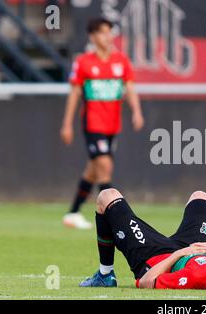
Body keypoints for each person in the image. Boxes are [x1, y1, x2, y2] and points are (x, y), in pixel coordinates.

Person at [79, 188, 206, 290]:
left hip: (156, 257)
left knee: (107, 196)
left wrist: (181, 253)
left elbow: (147, 282)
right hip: (189, 248)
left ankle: (105, 275)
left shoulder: (194, 277)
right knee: (201, 197)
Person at [60, 18, 144, 229]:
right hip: (93, 124)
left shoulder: (121, 61)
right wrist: (67, 124)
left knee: (93, 170)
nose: (108, 37)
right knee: (105, 167)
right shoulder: (84, 62)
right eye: (103, 33)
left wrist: (136, 111)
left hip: (112, 126)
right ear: (93, 36)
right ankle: (117, 219)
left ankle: (72, 213)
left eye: (109, 33)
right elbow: (75, 93)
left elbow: (130, 88)